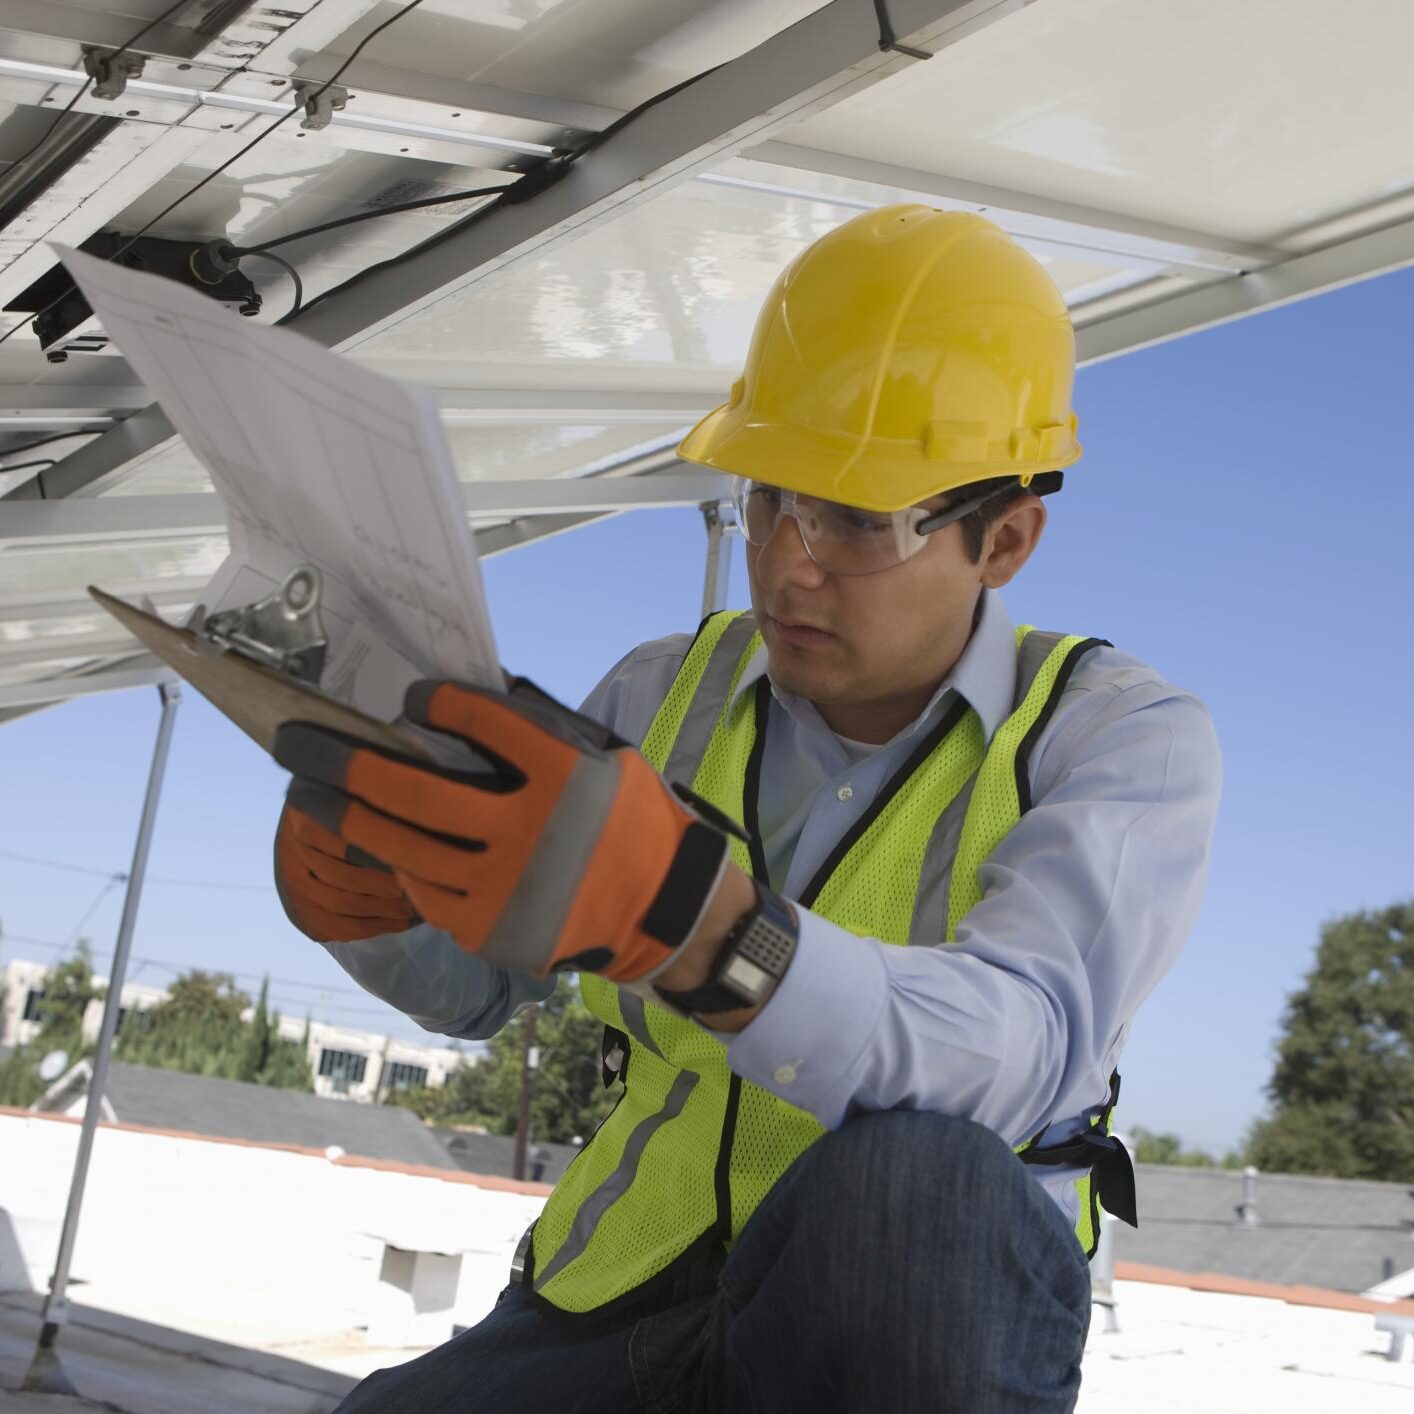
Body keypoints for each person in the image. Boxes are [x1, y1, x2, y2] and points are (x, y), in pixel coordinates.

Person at [272, 205, 1222, 1413]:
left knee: (919, 1186)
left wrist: (709, 932)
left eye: (856, 521)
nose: (787, 562)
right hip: (614, 1299)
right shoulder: (665, 689)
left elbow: (1020, 1052)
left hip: (889, 1330)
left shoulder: (1118, 738)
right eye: (771, 496)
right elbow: (487, 985)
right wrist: (369, 906)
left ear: (1007, 540)